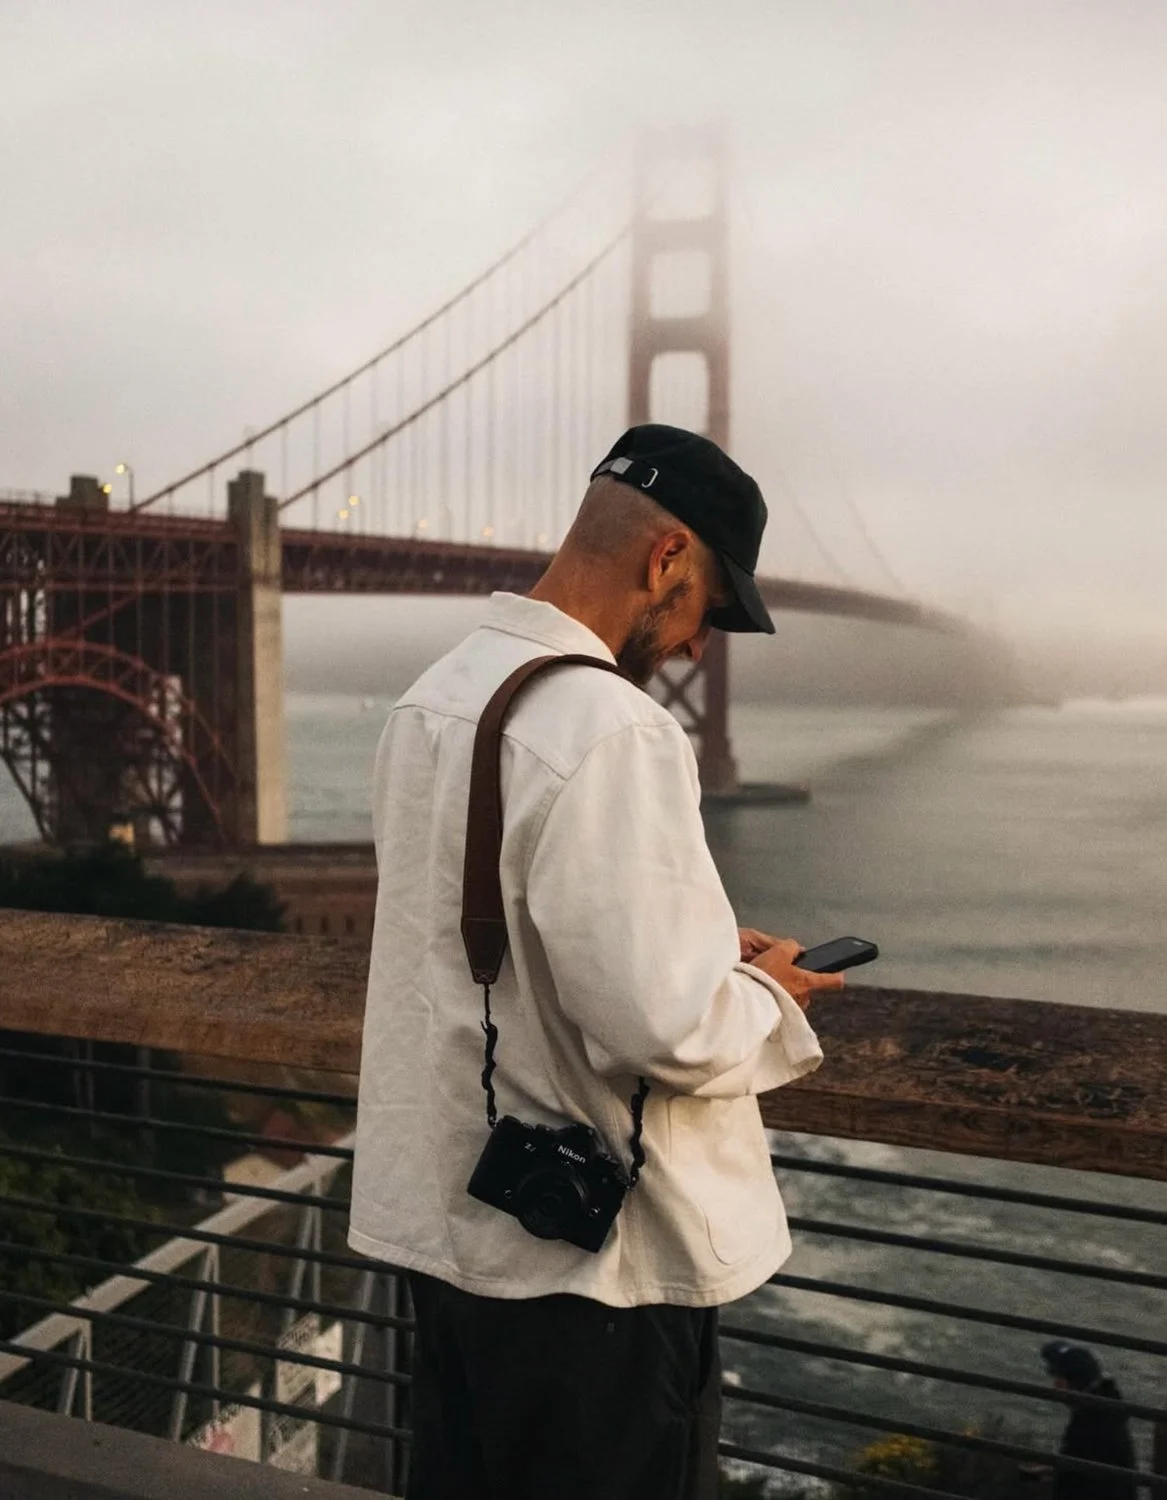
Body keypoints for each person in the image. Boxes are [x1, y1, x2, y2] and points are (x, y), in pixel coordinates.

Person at [349, 423, 846, 1500]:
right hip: (593, 1278)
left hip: (453, 1237)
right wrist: (767, 992)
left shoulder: (433, 699)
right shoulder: (613, 729)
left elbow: (498, 933)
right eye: (709, 609)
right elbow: (665, 1030)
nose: (698, 649)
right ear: (665, 556)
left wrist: (700, 941)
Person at [1032, 1341, 1139, 1500]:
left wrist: (1062, 1474)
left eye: (1057, 1377)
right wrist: (1061, 1470)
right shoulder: (1102, 1414)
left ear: (1069, 1383)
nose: (1054, 1386)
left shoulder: (1091, 1425)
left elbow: (1091, 1485)